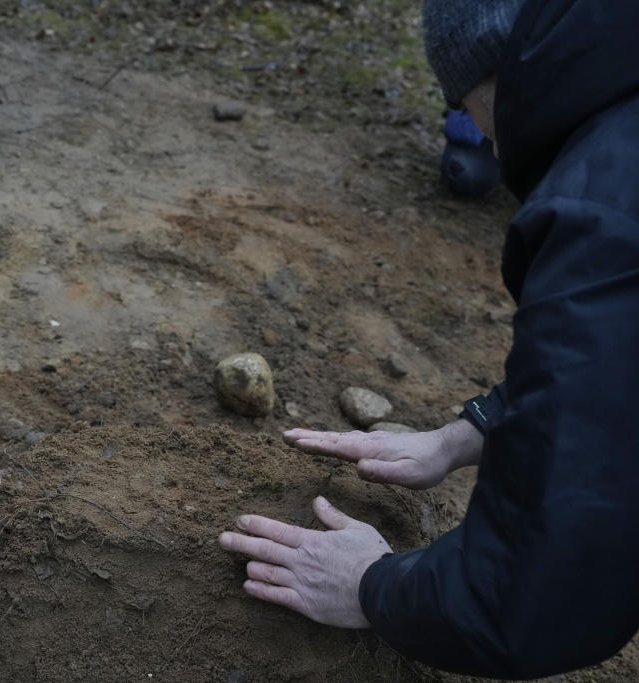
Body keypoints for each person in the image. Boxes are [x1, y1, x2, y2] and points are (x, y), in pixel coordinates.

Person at [219, 0, 639, 677]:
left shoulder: (598, 220)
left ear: (499, 64)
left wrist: (371, 584)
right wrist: (469, 432)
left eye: (460, 101)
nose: (478, 136)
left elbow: (537, 592)